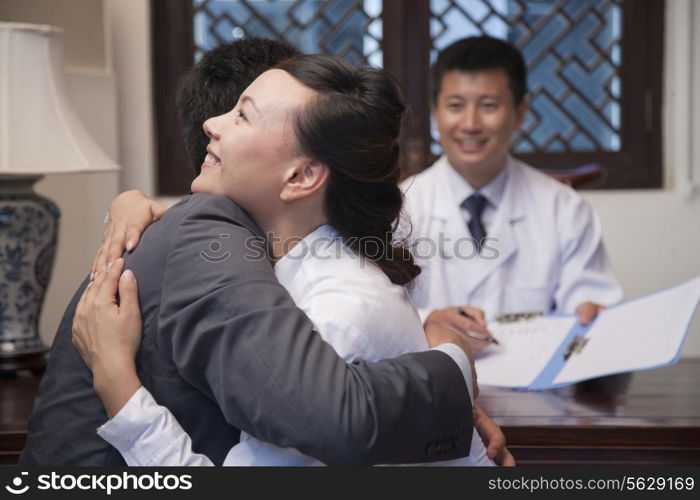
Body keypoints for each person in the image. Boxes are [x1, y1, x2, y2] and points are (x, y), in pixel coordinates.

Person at [21, 40, 511, 466]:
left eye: (242, 114)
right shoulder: (270, 256)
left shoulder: (335, 314)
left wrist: (116, 379)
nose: (212, 123)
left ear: (301, 177)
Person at [401, 36, 623, 353]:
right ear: (435, 113)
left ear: (520, 113)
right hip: (433, 391)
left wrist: (593, 313)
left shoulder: (563, 207)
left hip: (540, 394)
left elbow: (591, 302)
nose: (470, 124)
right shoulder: (400, 208)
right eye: (455, 106)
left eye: (489, 106)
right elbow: (377, 315)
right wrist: (428, 319)